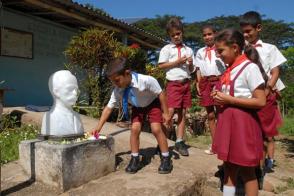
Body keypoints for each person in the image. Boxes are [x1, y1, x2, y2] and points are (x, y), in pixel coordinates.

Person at [91, 57, 173, 174]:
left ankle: (166, 158)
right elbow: (108, 108)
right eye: (113, 82)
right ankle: (135, 158)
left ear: (127, 73)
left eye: (117, 80)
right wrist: (98, 128)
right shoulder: (118, 90)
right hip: (137, 107)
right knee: (134, 129)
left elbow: (161, 93)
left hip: (152, 104)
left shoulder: (146, 80)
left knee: (156, 129)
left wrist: (166, 113)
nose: (115, 84)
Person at [211, 28, 266, 196]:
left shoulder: (250, 68)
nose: (218, 55)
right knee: (229, 167)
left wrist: (229, 100)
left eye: (221, 51)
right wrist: (217, 95)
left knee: (248, 171)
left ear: (235, 47)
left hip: (243, 125)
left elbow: (260, 100)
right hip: (228, 123)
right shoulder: (228, 70)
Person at [240, 11, 286, 171]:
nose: (245, 35)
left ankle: (265, 165)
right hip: (248, 97)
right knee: (251, 133)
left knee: (266, 133)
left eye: (248, 31)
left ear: (258, 28)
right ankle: (253, 165)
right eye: (243, 32)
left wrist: (266, 92)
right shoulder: (240, 50)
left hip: (266, 96)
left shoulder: (270, 48)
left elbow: (275, 72)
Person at [158, 17, 196, 156]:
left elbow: (192, 70)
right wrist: (177, 61)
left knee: (183, 112)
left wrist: (190, 63)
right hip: (173, 84)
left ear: (182, 33)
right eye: (173, 35)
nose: (176, 37)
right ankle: (161, 140)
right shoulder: (167, 49)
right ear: (169, 35)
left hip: (185, 83)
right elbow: (161, 65)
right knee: (170, 112)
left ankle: (179, 141)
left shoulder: (189, 50)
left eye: (178, 33)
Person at [195, 25, 226, 155]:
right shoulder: (200, 52)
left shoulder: (221, 48)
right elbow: (198, 69)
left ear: (215, 34)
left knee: (221, 113)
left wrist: (220, 55)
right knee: (210, 114)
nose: (207, 37)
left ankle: (224, 143)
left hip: (220, 80)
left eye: (210, 34)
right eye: (205, 35)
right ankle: (215, 144)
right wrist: (198, 82)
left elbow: (229, 64)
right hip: (205, 82)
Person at [41, 70, 84, 136]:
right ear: (56, 92)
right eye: (70, 89)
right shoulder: (50, 117)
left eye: (76, 89)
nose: (75, 93)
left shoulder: (77, 116)